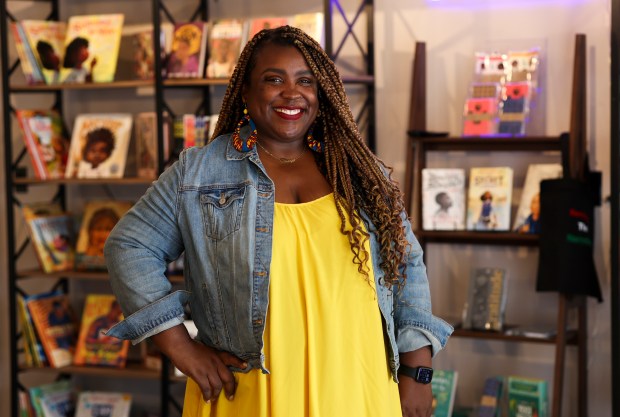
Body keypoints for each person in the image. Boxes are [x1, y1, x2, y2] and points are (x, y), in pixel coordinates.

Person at [104, 26, 452, 417]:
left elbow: (404, 265)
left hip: (360, 384)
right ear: (246, 93)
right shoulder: (200, 173)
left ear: (321, 94)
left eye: (305, 81)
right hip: (252, 390)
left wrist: (417, 371)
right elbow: (129, 247)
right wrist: (180, 348)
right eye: (274, 79)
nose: (292, 93)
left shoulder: (359, 171)